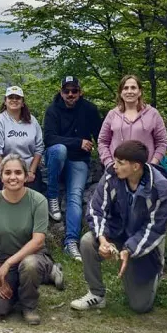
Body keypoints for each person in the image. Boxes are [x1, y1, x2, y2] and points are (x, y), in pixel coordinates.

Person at [71, 140, 167, 313]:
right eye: (115, 160)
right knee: (88, 241)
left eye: (120, 163)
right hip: (116, 232)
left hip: (143, 241)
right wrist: (103, 240)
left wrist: (128, 250)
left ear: (136, 167)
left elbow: (155, 228)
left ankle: (155, 270)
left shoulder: (159, 187)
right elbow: (95, 210)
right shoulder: (111, 176)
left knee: (140, 306)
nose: (114, 165)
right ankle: (96, 294)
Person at [0, 154, 60, 325]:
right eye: (7, 173)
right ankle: (12, 290)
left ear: (26, 176)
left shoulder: (38, 201)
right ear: (1, 176)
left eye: (18, 172)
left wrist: (9, 264)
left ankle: (28, 305)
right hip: (2, 258)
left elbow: (38, 241)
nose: (13, 177)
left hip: (34, 256)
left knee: (29, 265)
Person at [43, 75, 103, 261]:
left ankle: (71, 242)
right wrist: (78, 142)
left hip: (79, 161)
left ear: (80, 92)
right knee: (59, 150)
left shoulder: (89, 110)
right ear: (61, 92)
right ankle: (52, 195)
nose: (70, 94)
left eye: (74, 91)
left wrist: (106, 159)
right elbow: (49, 139)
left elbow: (100, 136)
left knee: (75, 196)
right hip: (56, 159)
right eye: (66, 91)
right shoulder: (52, 110)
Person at [98, 74, 167, 169]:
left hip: (144, 170)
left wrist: (153, 164)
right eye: (125, 88)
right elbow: (103, 142)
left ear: (139, 92)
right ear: (120, 93)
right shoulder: (112, 115)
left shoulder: (152, 113)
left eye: (133, 88)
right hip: (117, 170)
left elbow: (162, 142)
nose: (129, 91)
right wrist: (109, 163)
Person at [0, 86, 44, 191]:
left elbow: (39, 148)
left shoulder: (32, 121)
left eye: (17, 98)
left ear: (22, 102)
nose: (14, 100)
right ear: (5, 101)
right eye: (10, 97)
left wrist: (31, 172)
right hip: (5, 172)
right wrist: (5, 175)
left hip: (28, 172)